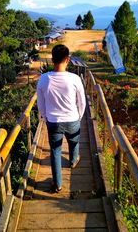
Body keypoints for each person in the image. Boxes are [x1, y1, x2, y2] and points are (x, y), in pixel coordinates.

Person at [37, 44, 86, 193]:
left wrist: (46, 117)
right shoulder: (75, 79)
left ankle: (57, 184)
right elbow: (82, 102)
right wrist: (79, 117)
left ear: (52, 60)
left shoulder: (44, 79)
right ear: (67, 59)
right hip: (72, 119)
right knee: (74, 142)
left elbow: (41, 103)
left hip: (53, 122)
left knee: (56, 152)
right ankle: (72, 161)